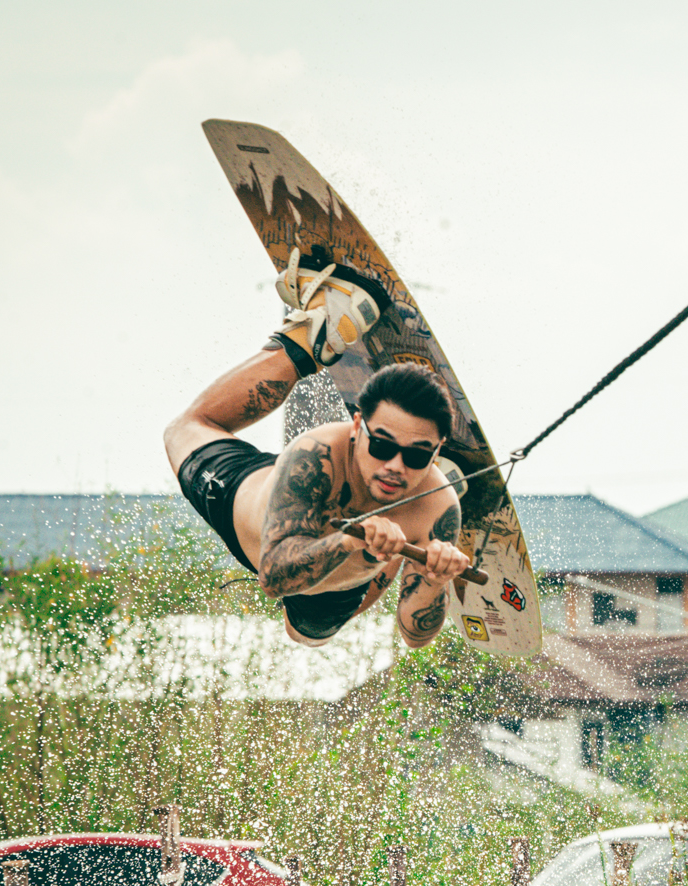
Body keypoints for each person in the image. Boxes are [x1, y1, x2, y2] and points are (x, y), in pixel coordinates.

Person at [165, 252, 474, 647]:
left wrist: (434, 581)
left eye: (417, 455)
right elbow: (274, 577)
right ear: (358, 426)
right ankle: (314, 335)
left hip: (330, 590)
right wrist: (352, 539)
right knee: (182, 430)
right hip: (253, 509)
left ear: (436, 450)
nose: (396, 466)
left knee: (307, 636)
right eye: (382, 446)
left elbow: (415, 635)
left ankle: (391, 547)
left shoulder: (436, 505)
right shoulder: (316, 451)